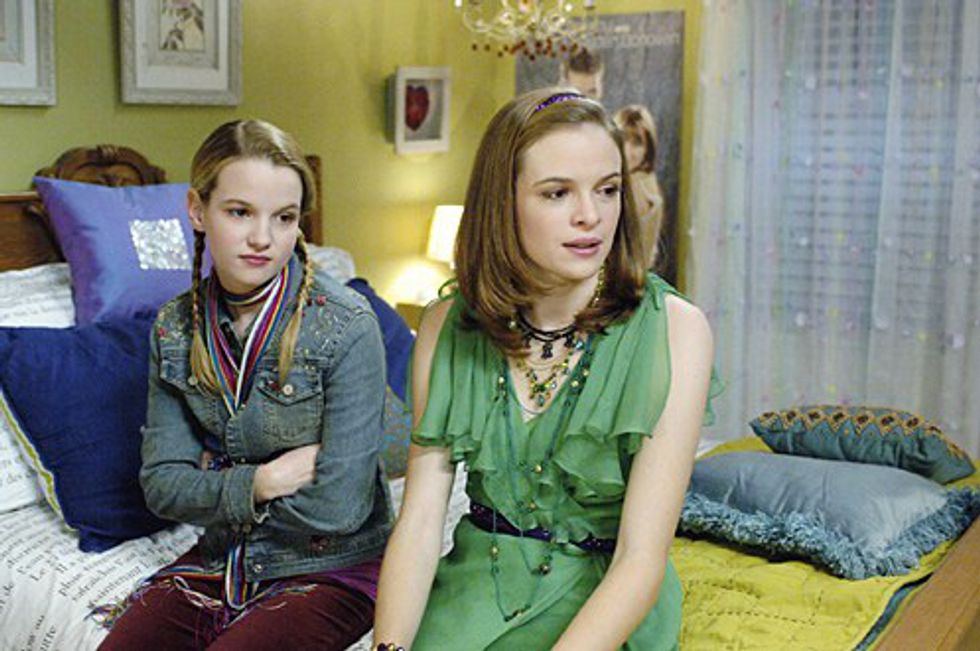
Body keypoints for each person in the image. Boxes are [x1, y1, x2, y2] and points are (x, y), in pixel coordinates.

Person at [374, 89, 719, 650]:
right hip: (475, 590)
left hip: (605, 607)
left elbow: (640, 558)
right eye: (557, 193)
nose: (591, 216)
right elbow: (419, 522)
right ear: (502, 204)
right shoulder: (444, 326)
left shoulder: (676, 330)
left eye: (607, 189)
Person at [100, 119, 392, 650]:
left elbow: (339, 508)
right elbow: (162, 485)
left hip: (333, 566)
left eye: (284, 218)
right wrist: (262, 482)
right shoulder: (174, 327)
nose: (263, 238)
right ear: (197, 210)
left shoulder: (348, 324)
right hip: (222, 560)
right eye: (240, 212)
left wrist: (214, 486)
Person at [614, 104, 665, 270]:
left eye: (636, 142)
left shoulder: (639, 186)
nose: (627, 150)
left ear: (647, 148)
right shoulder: (631, 179)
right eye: (623, 139)